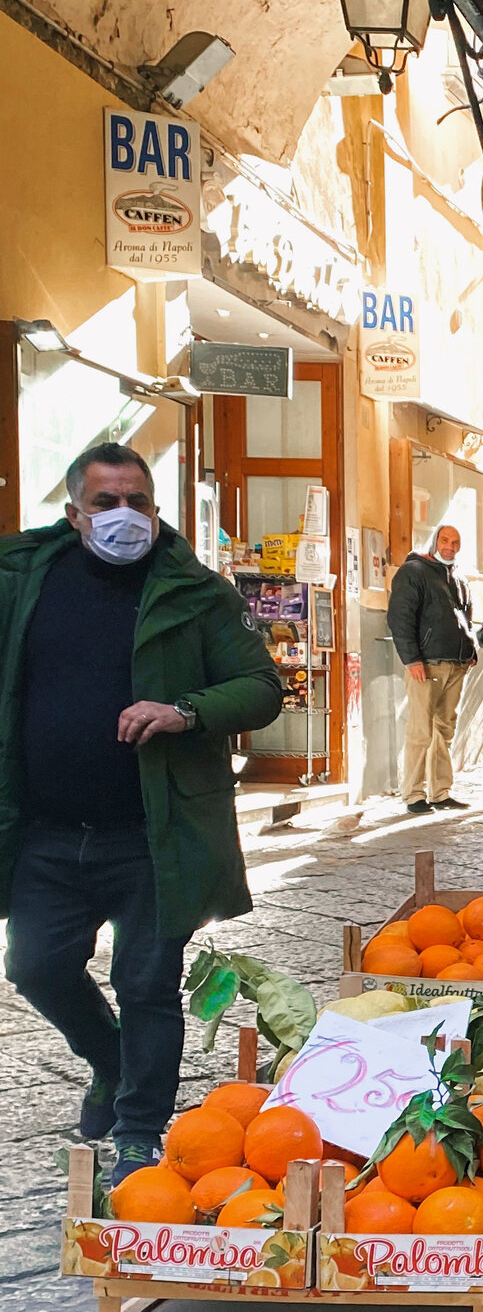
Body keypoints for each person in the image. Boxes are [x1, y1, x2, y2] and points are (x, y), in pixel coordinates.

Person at [0, 441, 284, 1185]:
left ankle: (138, 1129)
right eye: (106, 503)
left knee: (148, 981)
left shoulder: (196, 593)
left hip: (157, 834)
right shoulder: (24, 581)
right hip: (48, 831)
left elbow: (260, 687)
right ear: (73, 513)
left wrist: (186, 710)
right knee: (35, 965)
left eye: (139, 502)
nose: (124, 516)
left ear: (157, 510)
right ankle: (112, 1059)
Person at [387, 523, 476, 813]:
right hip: (426, 665)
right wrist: (412, 660)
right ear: (434, 541)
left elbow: (465, 618)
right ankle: (413, 794)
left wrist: (471, 650)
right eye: (445, 540)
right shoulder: (413, 572)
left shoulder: (458, 577)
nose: (450, 546)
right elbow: (400, 618)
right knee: (420, 730)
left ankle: (440, 792)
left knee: (444, 731)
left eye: (456, 541)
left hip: (456, 664)